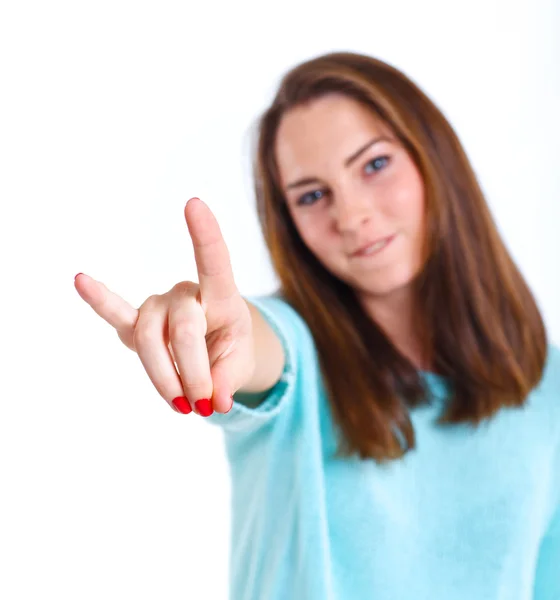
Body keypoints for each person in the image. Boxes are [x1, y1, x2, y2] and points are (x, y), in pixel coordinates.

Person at [74, 51, 560, 600]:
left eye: (374, 165)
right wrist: (217, 335)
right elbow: (264, 352)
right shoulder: (296, 349)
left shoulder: (552, 385)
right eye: (311, 195)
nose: (351, 216)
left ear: (434, 158)